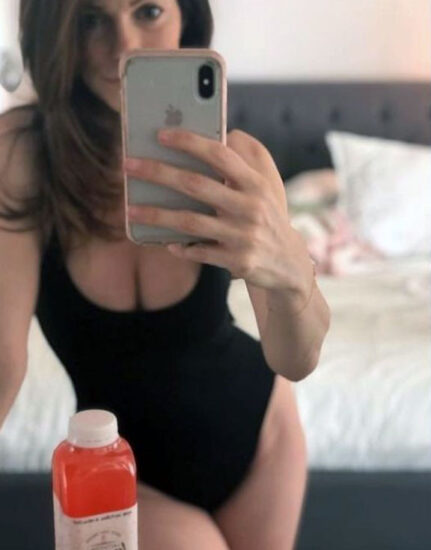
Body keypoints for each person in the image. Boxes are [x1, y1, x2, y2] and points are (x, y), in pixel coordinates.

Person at [0, 0, 331, 548]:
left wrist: (292, 268)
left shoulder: (237, 163)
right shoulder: (24, 154)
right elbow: (4, 361)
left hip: (262, 440)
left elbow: (296, 359)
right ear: (57, 32)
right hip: (122, 471)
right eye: (91, 19)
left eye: (148, 11)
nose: (124, 45)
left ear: (187, 19)